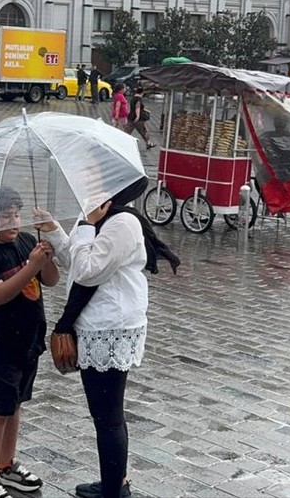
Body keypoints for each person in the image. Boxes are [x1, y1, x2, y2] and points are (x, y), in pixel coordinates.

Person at [44, 178, 177, 498]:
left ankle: (115, 490)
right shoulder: (94, 217)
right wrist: (53, 230)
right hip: (94, 324)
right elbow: (75, 263)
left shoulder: (123, 222)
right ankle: (115, 480)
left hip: (110, 327)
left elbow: (90, 270)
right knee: (102, 413)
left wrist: (88, 226)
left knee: (108, 416)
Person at [0, 187, 59, 497]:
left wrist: (46, 256)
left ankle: (6, 464)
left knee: (15, 403)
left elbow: (51, 280)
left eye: (16, 214)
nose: (14, 221)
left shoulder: (26, 241)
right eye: (6, 216)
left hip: (28, 340)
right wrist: (31, 265)